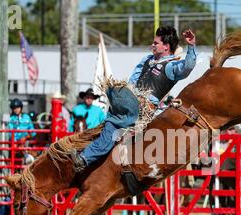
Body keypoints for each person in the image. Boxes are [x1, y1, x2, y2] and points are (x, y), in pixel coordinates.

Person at [70, 26, 197, 172]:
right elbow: (133, 80)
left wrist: (191, 46)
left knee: (112, 126)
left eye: (156, 43)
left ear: (166, 47)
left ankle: (85, 158)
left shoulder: (171, 66)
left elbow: (188, 66)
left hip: (144, 110)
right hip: (130, 103)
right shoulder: (147, 60)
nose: (152, 45)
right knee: (110, 119)